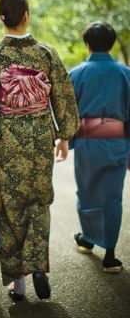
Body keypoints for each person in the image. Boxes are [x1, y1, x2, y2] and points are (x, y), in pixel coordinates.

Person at [0, 0, 79, 301]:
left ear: (2, 18)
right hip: (40, 137)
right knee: (39, 202)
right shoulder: (46, 54)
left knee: (11, 208)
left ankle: (19, 283)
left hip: (8, 139)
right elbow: (63, 97)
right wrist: (64, 135)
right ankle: (38, 263)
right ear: (26, 16)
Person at [69, 21, 130, 273]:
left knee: (88, 193)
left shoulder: (77, 73)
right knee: (113, 197)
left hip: (87, 144)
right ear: (113, 43)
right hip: (117, 141)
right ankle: (111, 255)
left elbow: (68, 114)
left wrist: (68, 141)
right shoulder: (125, 72)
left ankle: (88, 238)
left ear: (87, 45)